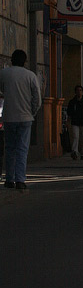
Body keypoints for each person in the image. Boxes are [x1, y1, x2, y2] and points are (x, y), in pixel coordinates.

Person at [0, 49, 42, 191]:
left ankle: (9, 179)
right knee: (22, 149)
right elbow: (37, 98)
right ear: (25, 61)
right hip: (25, 118)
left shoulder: (4, 74)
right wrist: (32, 112)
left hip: (9, 117)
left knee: (9, 148)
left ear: (11, 60)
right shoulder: (30, 75)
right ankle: (20, 179)